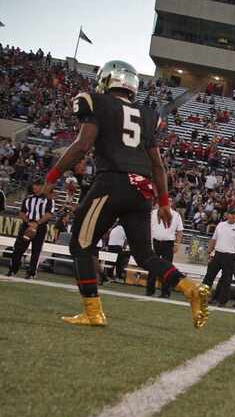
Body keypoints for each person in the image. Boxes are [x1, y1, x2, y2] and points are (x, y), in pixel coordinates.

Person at [40, 60, 210, 327]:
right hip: (142, 190)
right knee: (145, 256)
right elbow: (158, 165)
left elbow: (82, 145)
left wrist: (51, 176)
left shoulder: (96, 102)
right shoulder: (148, 114)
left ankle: (93, 312)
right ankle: (191, 288)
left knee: (80, 246)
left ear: (107, 81)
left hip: (112, 182)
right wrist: (164, 202)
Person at [7, 178, 54, 279]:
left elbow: (49, 214)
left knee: (36, 250)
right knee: (18, 248)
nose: (36, 188)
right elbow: (22, 212)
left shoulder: (49, 200)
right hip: (26, 226)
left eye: (38, 186)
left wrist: (37, 223)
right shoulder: (28, 199)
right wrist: (29, 222)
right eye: (35, 185)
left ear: (43, 187)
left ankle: (31, 273)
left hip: (40, 227)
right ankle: (12, 270)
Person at [203, 209, 235, 307]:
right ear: (227, 215)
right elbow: (214, 239)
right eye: (232, 214)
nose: (233, 216)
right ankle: (202, 297)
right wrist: (209, 251)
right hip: (218, 254)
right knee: (208, 277)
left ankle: (222, 301)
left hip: (230, 256)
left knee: (226, 280)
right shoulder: (220, 225)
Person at [146, 203, 183, 298]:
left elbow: (180, 231)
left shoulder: (176, 215)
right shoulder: (153, 213)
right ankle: (149, 290)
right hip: (155, 242)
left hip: (168, 244)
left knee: (167, 269)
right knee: (152, 266)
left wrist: (177, 244)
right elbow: (148, 227)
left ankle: (165, 292)